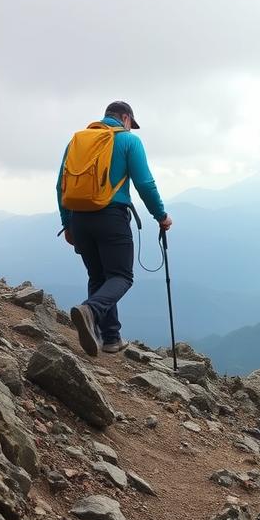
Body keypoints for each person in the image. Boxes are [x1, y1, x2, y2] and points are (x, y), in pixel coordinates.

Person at [56, 100, 172, 355]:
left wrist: (67, 223)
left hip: (79, 217)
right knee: (121, 277)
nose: (131, 129)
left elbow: (60, 185)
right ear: (125, 118)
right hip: (111, 217)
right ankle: (91, 311)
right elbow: (145, 183)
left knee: (98, 277)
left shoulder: (77, 141)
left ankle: (110, 338)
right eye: (132, 124)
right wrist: (160, 215)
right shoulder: (129, 141)